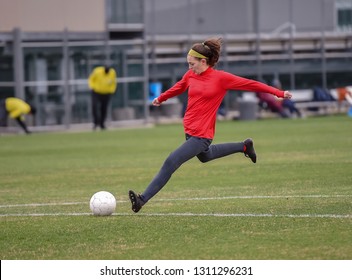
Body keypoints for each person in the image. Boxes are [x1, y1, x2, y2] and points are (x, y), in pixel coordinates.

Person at [128, 38, 292, 213]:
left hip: (202, 134)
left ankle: (141, 200)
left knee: (171, 161)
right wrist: (161, 98)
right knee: (205, 156)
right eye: (188, 64)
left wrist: (278, 93)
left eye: (192, 64)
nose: (189, 67)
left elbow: (251, 84)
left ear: (203, 61)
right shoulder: (190, 75)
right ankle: (244, 146)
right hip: (190, 130)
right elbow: (179, 87)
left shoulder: (221, 78)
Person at [88, 65, 117, 130]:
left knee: (104, 109)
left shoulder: (112, 73)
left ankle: (102, 124)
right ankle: (95, 123)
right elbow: (91, 79)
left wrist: (112, 90)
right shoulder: (97, 71)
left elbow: (113, 82)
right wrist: (92, 87)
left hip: (106, 93)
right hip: (96, 92)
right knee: (94, 106)